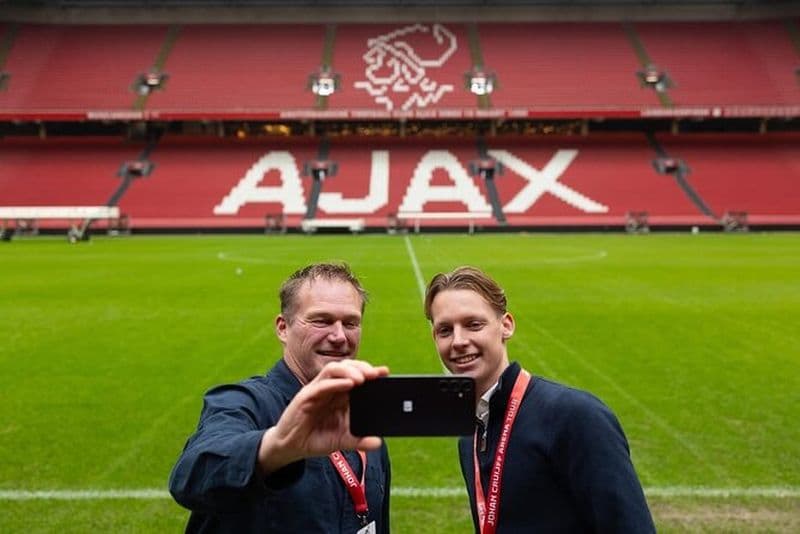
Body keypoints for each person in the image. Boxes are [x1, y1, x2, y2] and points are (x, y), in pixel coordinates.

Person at [424, 266, 655, 533]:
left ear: (506, 326)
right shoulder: (471, 434)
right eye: (445, 330)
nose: (459, 341)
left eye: (473, 324)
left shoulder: (575, 417)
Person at [170, 263, 391, 533]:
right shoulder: (244, 402)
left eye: (350, 323)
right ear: (283, 328)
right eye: (321, 320)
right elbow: (191, 476)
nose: (339, 336)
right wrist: (277, 447)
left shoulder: (363, 419)